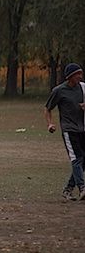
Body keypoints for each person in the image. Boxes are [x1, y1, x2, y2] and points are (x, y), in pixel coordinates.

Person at [44, 63, 85, 201]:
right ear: (70, 77)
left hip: (82, 128)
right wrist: (50, 123)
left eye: (81, 73)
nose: (80, 76)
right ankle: (82, 188)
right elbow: (47, 108)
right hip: (69, 130)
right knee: (76, 158)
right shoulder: (59, 90)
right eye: (77, 74)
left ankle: (68, 189)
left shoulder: (83, 88)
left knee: (83, 160)